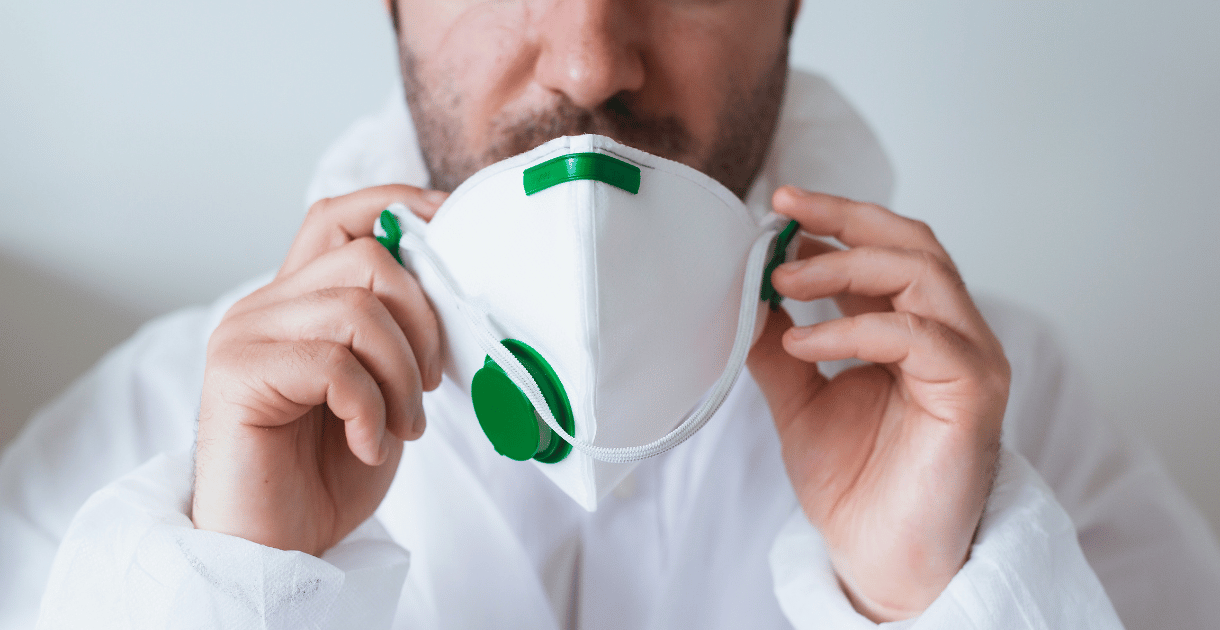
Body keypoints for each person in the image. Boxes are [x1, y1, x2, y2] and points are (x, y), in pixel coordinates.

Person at [2, 0, 1219, 627]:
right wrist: (243, 587)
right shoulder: (145, 450)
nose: (590, 61)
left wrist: (933, 598)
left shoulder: (1011, 432)